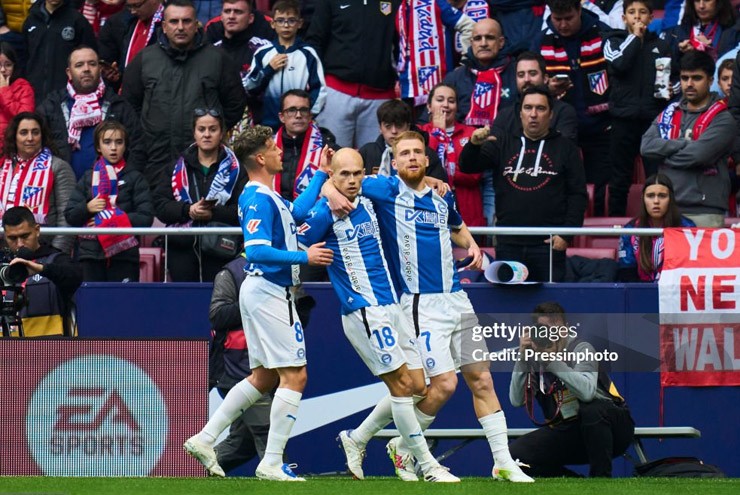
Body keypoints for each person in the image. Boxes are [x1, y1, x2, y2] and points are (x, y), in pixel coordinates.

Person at [324, 130, 533, 483]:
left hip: (457, 299)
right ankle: (393, 445)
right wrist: (329, 189)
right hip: (420, 305)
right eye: (403, 153)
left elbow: (456, 225)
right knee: (441, 386)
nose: (411, 158)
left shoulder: (441, 197)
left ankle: (502, 462)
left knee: (481, 378)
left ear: (426, 158)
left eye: (417, 152)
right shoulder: (385, 190)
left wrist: (472, 245)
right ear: (394, 159)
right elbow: (340, 183)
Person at [297, 147, 460, 483]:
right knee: (402, 387)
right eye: (344, 174)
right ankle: (427, 464)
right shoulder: (325, 210)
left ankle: (356, 438)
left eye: (357, 173)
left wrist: (431, 178)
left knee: (417, 385)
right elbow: (295, 237)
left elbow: (407, 180)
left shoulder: (374, 198)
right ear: (334, 175)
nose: (352, 180)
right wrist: (307, 254)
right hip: (364, 310)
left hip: (394, 306)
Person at [183, 125, 333, 481]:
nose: (281, 152)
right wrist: (304, 256)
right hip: (269, 291)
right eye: (273, 147)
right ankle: (271, 462)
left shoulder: (268, 196)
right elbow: (257, 250)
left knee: (264, 376)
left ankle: (205, 438)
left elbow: (295, 213)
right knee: (295, 375)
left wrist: (322, 176)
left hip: (265, 290)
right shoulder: (256, 198)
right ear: (261, 158)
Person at [460, 86, 587, 282]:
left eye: (540, 108)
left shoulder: (566, 148)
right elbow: (467, 166)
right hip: (508, 242)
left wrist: (566, 234)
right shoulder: (502, 142)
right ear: (520, 114)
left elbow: (577, 194)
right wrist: (473, 145)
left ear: (551, 114)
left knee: (550, 307)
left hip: (548, 244)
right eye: (528, 108)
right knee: (510, 306)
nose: (533, 114)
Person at [122, 0, 247, 186]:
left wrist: (211, 130)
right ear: (164, 26)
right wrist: (146, 134)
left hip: (203, 164)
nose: (180, 27)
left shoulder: (217, 59)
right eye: (174, 22)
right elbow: (129, 105)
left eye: (186, 21)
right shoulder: (144, 59)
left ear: (196, 24)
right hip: (154, 161)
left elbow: (235, 104)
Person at [508, 302, 635, 477]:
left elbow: (587, 393)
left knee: (592, 409)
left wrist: (551, 362)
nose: (552, 335)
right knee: (515, 456)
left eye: (556, 329)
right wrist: (523, 357)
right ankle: (574, 482)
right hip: (570, 429)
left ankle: (601, 479)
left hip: (613, 429)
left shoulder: (581, 349)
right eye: (545, 330)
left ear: (566, 329)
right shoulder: (534, 357)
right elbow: (516, 400)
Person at [533, 0, 612, 216]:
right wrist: (547, 87)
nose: (563, 25)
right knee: (562, 185)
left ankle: (598, 233)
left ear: (580, 10)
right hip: (560, 128)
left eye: (568, 18)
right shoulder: (541, 41)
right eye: (557, 19)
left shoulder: (604, 35)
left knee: (601, 188)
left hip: (600, 126)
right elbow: (531, 84)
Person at [641, 50, 735, 227]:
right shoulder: (669, 113)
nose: (689, 84)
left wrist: (664, 153)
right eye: (685, 78)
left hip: (705, 212)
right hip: (668, 209)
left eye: (696, 78)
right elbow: (646, 147)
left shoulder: (723, 118)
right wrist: (684, 143)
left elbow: (697, 156)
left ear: (710, 80)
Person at [153, 108, 247, 282]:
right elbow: (160, 206)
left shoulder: (237, 169)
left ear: (221, 133)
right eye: (201, 129)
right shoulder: (176, 168)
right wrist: (187, 210)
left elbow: (243, 210)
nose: (207, 135)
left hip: (221, 250)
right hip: (182, 249)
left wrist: (213, 214)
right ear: (194, 133)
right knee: (186, 304)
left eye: (213, 129)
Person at [603, 0, 673, 216]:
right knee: (619, 180)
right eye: (632, 12)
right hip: (622, 119)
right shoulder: (613, 41)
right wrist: (634, 37)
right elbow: (619, 64)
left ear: (651, 17)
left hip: (652, 120)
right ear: (624, 18)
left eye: (642, 12)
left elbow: (673, 79)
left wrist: (671, 88)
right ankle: (615, 226)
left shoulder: (662, 45)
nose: (637, 17)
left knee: (656, 179)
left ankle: (654, 226)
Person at [37, 46, 145, 181]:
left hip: (110, 191)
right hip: (64, 191)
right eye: (79, 65)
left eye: (92, 64)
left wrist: (125, 182)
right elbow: (36, 147)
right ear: (69, 73)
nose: (86, 69)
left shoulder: (118, 105)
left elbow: (138, 147)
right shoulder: (52, 105)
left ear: (100, 69)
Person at [64, 121, 153, 282]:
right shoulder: (87, 177)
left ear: (125, 146)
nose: (113, 148)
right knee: (92, 306)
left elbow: (146, 218)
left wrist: (111, 220)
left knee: (123, 306)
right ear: (98, 147)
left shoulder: (135, 178)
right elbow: (70, 215)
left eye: (119, 142)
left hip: (124, 257)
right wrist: (87, 208)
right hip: (90, 256)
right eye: (107, 142)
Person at [208, 252, 272, 473]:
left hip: (274, 363)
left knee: (241, 444)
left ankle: (193, 472)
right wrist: (255, 303)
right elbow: (217, 315)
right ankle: (277, 471)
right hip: (238, 367)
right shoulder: (231, 272)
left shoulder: (283, 267)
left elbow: (300, 311)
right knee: (269, 432)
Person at [305, 0, 398, 148]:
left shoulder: (397, 2)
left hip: (380, 98)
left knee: (377, 163)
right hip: (336, 93)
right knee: (332, 160)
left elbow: (403, 44)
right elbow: (315, 39)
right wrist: (317, 83)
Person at [244, 0, 327, 131]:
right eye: (281, 20)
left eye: (291, 20)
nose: (286, 25)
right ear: (272, 23)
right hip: (268, 122)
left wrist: (308, 113)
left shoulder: (308, 54)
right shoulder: (263, 52)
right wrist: (268, 69)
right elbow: (250, 87)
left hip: (298, 123)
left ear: (300, 23)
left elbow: (319, 88)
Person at [0, 112, 76, 253]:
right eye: (24, 133)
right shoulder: (3, 167)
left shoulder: (58, 167)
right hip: (4, 251)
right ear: (14, 137)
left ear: (42, 136)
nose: (30, 138)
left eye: (35, 132)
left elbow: (66, 218)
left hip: (44, 252)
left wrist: (56, 254)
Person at [2, 205, 82, 337]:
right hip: (6, 351)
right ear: (5, 236)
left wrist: (42, 269)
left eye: (25, 236)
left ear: (37, 230)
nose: (20, 243)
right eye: (13, 238)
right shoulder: (3, 267)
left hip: (50, 350)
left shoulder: (56, 259)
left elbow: (75, 277)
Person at [419, 83, 485, 228]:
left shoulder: (471, 133)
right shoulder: (419, 133)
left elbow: (474, 175)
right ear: (429, 106)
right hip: (428, 204)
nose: (446, 105)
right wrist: (438, 133)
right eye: (440, 99)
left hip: (466, 204)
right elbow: (423, 168)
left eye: (451, 101)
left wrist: (445, 176)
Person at [617, 174, 696, 282]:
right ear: (643, 199)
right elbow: (627, 273)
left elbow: (690, 270)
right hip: (640, 292)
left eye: (662, 196)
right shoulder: (630, 230)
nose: (656, 201)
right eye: (650, 196)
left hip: (674, 292)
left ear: (671, 199)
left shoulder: (687, 228)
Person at [395, 0, 474, 103]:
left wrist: (465, 62)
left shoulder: (435, 3)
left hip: (439, 86)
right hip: (408, 87)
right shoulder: (401, 7)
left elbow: (469, 26)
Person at [442, 18, 517, 126]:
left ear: (501, 42)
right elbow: (431, 116)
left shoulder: (518, 73)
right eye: (478, 38)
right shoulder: (455, 78)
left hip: (507, 139)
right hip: (464, 139)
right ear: (471, 43)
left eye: (489, 38)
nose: (483, 43)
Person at [491, 51, 578, 142]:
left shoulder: (563, 112)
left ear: (545, 79)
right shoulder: (505, 115)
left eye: (532, 74)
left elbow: (564, 150)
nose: (526, 79)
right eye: (521, 75)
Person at [22, 0, 97, 102]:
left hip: (67, 95)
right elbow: (24, 57)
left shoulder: (77, 21)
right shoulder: (31, 20)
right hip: (35, 93)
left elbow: (90, 56)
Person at [357, 98, 448, 181]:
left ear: (408, 126)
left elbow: (439, 189)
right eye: (388, 126)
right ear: (380, 128)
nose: (394, 131)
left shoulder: (425, 153)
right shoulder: (367, 152)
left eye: (399, 125)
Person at [98, 0, 165, 88]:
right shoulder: (122, 22)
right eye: (129, 6)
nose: (133, 11)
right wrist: (117, 76)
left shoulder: (173, 23)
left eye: (137, 5)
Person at [205, 0, 274, 79]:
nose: (231, 16)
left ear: (250, 18)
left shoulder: (263, 50)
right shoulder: (212, 50)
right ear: (221, 17)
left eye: (238, 12)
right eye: (227, 11)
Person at [664, 0, 740, 63]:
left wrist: (710, 52)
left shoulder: (734, 30)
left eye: (707, 0)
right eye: (697, 0)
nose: (701, 6)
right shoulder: (676, 32)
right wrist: (679, 52)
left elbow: (732, 66)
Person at [0, 41, 33, 146]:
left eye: (8, 65)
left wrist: (4, 90)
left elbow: (25, 119)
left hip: (12, 148)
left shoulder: (23, 87)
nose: (3, 70)